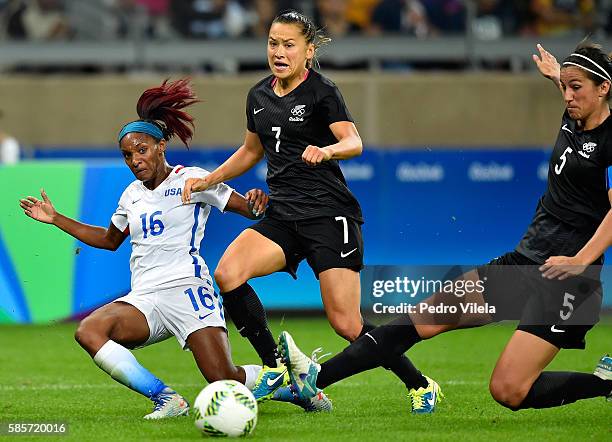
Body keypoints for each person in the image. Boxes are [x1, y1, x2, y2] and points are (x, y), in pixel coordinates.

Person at [280, 41, 612, 411]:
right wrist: (558, 77)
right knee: (420, 318)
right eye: (563, 86)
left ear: (604, 88)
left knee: (508, 391)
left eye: (575, 87)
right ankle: (312, 381)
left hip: (570, 283)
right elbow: (575, 95)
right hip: (524, 262)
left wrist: (581, 260)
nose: (567, 95)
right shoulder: (576, 114)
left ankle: (605, 385)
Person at [182, 10, 440, 413]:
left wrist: (328, 150)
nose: (278, 52)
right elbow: (251, 151)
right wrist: (210, 179)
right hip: (283, 216)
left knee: (347, 324)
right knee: (228, 274)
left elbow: (354, 142)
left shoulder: (322, 91)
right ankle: (276, 370)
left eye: (289, 45)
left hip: (329, 216)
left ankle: (420, 384)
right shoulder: (258, 96)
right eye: (273, 43)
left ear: (308, 50)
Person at [19, 78, 280, 420]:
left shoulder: (192, 179)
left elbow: (249, 209)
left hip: (187, 289)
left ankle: (293, 385)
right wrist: (56, 219)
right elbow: (109, 240)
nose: (135, 160)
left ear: (161, 147)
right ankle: (167, 398)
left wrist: (258, 202)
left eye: (141, 150)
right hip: (145, 298)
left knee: (222, 378)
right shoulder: (132, 195)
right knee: (89, 331)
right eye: (128, 155)